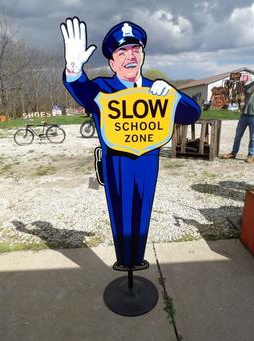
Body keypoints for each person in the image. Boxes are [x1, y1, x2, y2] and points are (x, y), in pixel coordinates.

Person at [60, 17, 201, 267]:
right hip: (117, 160)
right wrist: (73, 70)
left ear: (143, 54)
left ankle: (137, 259)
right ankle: (124, 261)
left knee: (143, 207)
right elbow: (83, 91)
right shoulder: (103, 87)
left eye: (136, 49)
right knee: (121, 210)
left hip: (148, 157)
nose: (131, 56)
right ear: (112, 62)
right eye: (122, 51)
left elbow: (192, 113)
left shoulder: (155, 88)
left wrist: (172, 93)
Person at [223, 85, 254, 163]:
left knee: (252, 138)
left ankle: (251, 155)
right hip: (244, 115)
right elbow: (244, 90)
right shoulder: (250, 85)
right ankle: (233, 153)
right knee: (238, 135)